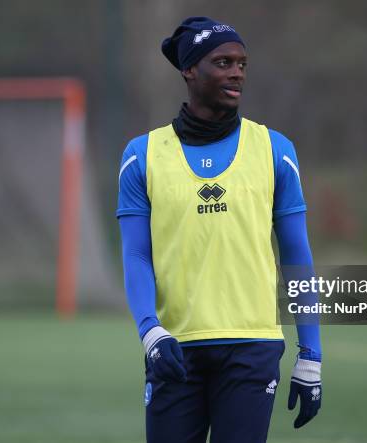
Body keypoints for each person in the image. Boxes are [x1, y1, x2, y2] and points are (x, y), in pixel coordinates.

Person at [117, 16, 321, 443]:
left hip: (253, 346)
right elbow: (136, 254)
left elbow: (297, 256)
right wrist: (150, 331)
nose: (237, 73)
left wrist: (311, 354)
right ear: (190, 70)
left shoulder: (275, 150)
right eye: (223, 62)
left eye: (242, 63)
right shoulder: (142, 156)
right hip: (173, 349)